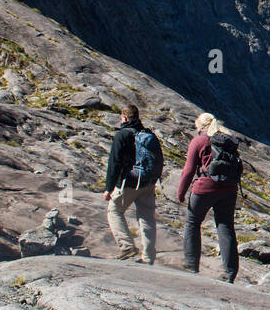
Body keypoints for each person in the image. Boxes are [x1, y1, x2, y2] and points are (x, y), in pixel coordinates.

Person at [177, 112, 242, 283]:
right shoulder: (227, 141)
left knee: (192, 223)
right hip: (229, 189)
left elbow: (188, 170)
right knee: (225, 227)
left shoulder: (199, 141)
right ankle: (230, 273)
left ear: (201, 126)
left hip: (204, 189)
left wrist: (181, 193)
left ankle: (191, 265)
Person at [104, 103, 163, 264]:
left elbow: (114, 163)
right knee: (146, 217)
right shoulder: (148, 134)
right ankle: (148, 256)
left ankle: (127, 246)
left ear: (124, 117)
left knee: (114, 211)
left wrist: (109, 188)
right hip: (148, 183)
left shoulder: (122, 135)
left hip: (128, 182)